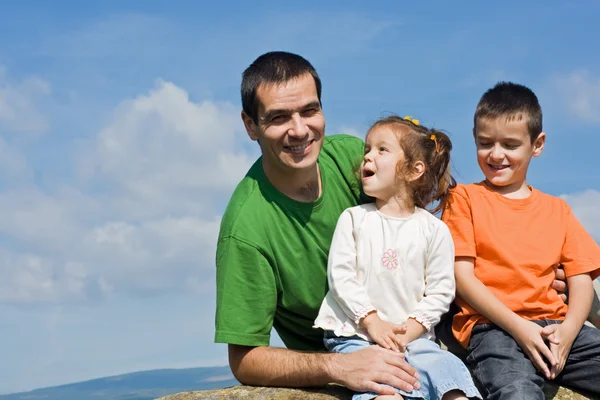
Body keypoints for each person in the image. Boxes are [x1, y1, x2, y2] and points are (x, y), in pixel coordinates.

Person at [214, 51, 421, 396]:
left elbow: (428, 223)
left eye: (309, 111)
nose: (299, 130)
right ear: (251, 125)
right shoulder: (245, 230)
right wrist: (338, 368)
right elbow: (244, 359)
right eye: (279, 118)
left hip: (419, 331)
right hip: (351, 356)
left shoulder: (353, 158)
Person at [441, 81, 600, 399]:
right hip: (494, 329)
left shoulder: (558, 209)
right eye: (485, 143)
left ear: (537, 144)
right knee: (517, 392)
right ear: (474, 139)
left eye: (510, 145)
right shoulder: (463, 199)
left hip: (558, 328)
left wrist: (568, 331)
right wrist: (519, 327)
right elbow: (462, 277)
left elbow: (580, 280)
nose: (495, 154)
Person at [314, 116, 482, 400]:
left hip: (415, 340)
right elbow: (341, 277)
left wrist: (410, 331)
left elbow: (441, 290)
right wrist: (372, 322)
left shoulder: (434, 230)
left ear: (414, 170)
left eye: (382, 150)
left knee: (448, 375)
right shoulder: (354, 219)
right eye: (368, 148)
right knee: (385, 389)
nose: (368, 156)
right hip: (357, 336)